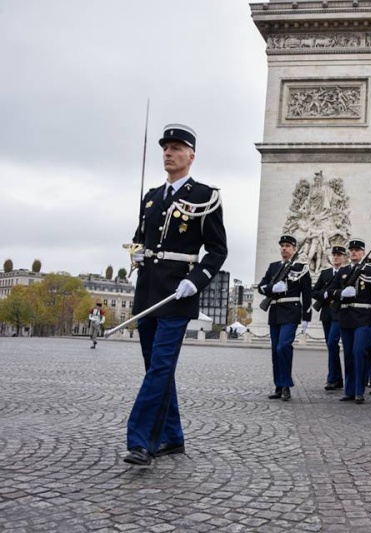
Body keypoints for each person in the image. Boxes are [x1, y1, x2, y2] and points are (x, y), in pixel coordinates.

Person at [124, 124, 228, 466]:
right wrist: (137, 252)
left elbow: (216, 250)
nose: (168, 153)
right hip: (148, 292)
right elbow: (141, 236)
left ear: (191, 155)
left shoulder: (205, 196)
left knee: (160, 366)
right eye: (165, 148)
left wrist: (196, 281)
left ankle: (141, 442)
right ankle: (173, 437)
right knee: (155, 367)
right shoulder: (152, 196)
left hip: (178, 294)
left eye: (176, 147)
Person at [258, 234, 312, 401]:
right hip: (275, 312)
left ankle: (286, 384)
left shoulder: (301, 268)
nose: (284, 248)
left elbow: (307, 294)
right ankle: (279, 386)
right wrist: (273, 288)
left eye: (288, 246)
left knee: (283, 347)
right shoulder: (273, 267)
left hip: (291, 311)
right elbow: (261, 287)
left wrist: (306, 317)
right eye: (282, 245)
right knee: (276, 351)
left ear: (294, 249)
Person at [330, 238, 371, 403]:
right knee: (348, 354)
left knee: (358, 351)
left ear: (363, 253)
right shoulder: (343, 271)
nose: (353, 252)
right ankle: (350, 390)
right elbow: (331, 289)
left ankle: (360, 390)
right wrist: (340, 294)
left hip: (363, 316)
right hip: (346, 316)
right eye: (351, 250)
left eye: (357, 250)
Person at [312, 245, 347, 391]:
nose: (336, 257)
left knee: (333, 342)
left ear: (344, 257)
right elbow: (315, 291)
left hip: (339, 313)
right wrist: (324, 295)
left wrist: (331, 293)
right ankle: (336, 378)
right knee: (330, 345)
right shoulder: (325, 273)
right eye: (334, 255)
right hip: (326, 312)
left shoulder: (347, 272)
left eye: (339, 255)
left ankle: (332, 378)